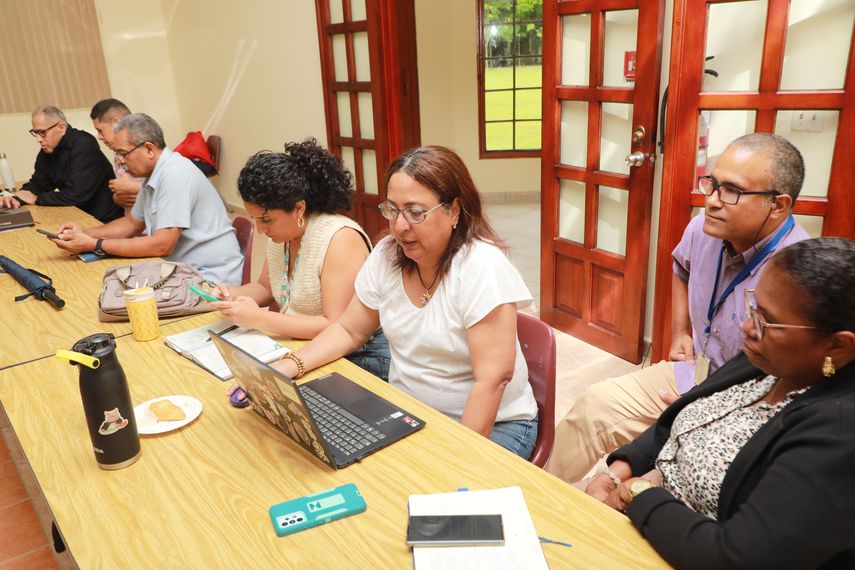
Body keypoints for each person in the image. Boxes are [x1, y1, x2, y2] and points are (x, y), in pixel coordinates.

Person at [231, 146, 539, 458]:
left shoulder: (482, 266)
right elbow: (349, 330)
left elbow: (492, 380)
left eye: (416, 212)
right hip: (413, 413)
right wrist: (287, 368)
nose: (400, 226)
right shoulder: (388, 255)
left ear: (454, 210)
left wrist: (458, 459)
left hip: (494, 425)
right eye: (392, 210)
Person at [547, 133, 810, 483]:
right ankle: (535, 496)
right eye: (712, 184)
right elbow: (680, 269)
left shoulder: (796, 271)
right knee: (595, 405)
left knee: (651, 477)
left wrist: (700, 409)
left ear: (777, 205)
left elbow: (789, 385)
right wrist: (680, 332)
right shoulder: (702, 229)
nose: (711, 201)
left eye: (732, 191)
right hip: (692, 374)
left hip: (743, 405)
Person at [588, 237, 855, 568]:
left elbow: (736, 559)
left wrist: (639, 494)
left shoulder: (839, 434)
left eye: (767, 320)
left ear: (838, 346)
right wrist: (616, 473)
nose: (747, 326)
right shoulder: (772, 362)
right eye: (753, 307)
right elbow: (683, 416)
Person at [211, 140, 390, 380]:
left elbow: (336, 326)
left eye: (266, 219)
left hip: (356, 356)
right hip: (303, 347)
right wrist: (230, 296)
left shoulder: (339, 238)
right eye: (255, 220)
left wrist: (261, 318)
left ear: (299, 208)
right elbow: (265, 288)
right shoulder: (283, 235)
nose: (260, 230)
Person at [49, 113, 243, 285]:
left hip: (210, 279)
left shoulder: (175, 174)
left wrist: (96, 245)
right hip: (182, 271)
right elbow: (132, 223)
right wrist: (84, 235)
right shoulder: (153, 174)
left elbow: (163, 245)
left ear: (149, 149)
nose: (121, 161)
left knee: (119, 298)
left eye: (123, 154)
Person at [0, 106, 122, 223]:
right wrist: (16, 199)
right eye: (35, 133)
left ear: (61, 127)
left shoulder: (83, 144)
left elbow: (75, 195)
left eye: (42, 132)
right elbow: (39, 184)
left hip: (104, 219)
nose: (38, 139)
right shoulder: (48, 149)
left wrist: (37, 199)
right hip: (76, 215)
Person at [90, 98, 144, 210]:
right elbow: (122, 192)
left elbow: (168, 186)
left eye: (100, 130)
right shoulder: (118, 153)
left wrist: (134, 188)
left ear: (116, 123)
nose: (99, 137)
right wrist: (116, 198)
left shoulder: (145, 148)